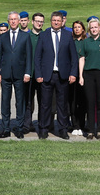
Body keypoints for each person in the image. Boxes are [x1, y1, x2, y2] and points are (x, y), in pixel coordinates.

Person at [34, 11, 79, 139]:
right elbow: (37, 57)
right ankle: (43, 128)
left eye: (58, 20)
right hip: (47, 75)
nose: (56, 22)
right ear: (51, 21)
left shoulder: (67, 35)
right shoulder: (44, 35)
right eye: (54, 20)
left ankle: (63, 129)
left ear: (62, 21)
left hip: (63, 75)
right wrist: (38, 74)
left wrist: (73, 73)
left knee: (62, 104)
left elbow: (73, 57)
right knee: (45, 104)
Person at [0, 11, 32, 139]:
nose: (13, 21)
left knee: (20, 102)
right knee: (5, 101)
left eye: (15, 19)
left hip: (20, 74)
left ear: (19, 21)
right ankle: (5, 128)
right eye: (10, 19)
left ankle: (20, 128)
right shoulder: (4, 36)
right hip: (5, 73)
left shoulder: (25, 36)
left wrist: (28, 72)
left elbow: (29, 56)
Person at [78, 17, 100, 139]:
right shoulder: (85, 42)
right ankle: (90, 130)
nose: (94, 29)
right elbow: (82, 59)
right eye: (91, 27)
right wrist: (80, 75)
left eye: (95, 27)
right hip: (88, 74)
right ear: (89, 29)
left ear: (99, 28)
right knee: (90, 103)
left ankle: (99, 129)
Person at [23, 12, 45, 135]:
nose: (39, 23)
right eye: (37, 21)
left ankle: (42, 125)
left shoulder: (46, 35)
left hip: (42, 74)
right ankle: (27, 124)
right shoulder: (27, 36)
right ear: (32, 22)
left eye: (41, 21)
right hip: (29, 74)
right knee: (28, 101)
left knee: (43, 101)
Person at [69, 20, 88, 136]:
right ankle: (74, 124)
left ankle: (82, 124)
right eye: (75, 27)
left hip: (84, 75)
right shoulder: (71, 42)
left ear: (83, 29)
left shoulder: (86, 42)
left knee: (83, 101)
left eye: (79, 27)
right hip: (72, 74)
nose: (77, 29)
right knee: (72, 101)